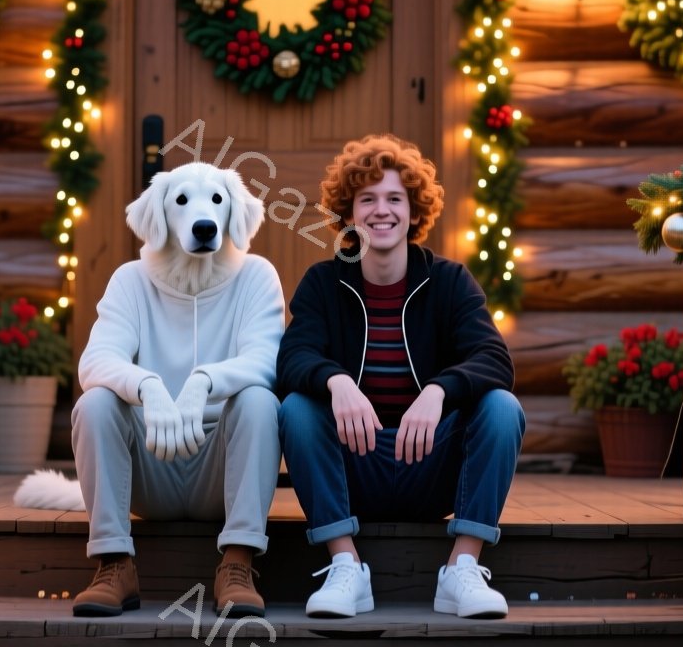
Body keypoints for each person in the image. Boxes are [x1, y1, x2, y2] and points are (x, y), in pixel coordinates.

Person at [275, 134, 525, 619]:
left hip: (431, 467)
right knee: (296, 408)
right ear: (349, 215)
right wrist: (337, 382)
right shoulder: (323, 284)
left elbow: (494, 358)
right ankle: (345, 566)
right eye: (367, 199)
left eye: (395, 198)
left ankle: (462, 569)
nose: (381, 211)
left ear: (414, 212)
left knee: (501, 407)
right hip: (354, 471)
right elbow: (293, 359)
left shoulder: (450, 281)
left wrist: (438, 390)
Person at [70, 162, 284, 618]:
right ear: (159, 217)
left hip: (220, 474)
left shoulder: (257, 276)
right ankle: (114, 563)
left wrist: (203, 381)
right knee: (95, 403)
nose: (202, 216)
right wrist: (148, 386)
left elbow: (266, 362)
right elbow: (95, 361)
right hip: (151, 467)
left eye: (216, 201)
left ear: (234, 216)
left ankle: (238, 563)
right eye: (182, 200)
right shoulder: (130, 280)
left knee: (260, 400)